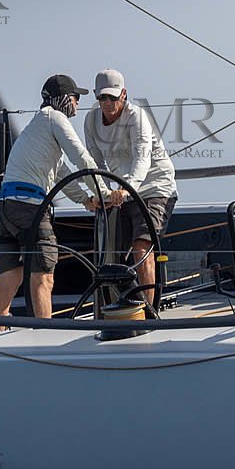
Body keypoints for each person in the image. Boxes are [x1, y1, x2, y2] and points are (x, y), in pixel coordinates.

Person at [0, 74, 99, 327]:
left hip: (3, 209)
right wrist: (103, 192)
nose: (78, 103)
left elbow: (61, 174)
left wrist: (86, 200)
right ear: (63, 100)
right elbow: (81, 159)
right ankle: (44, 339)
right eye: (75, 98)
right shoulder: (55, 118)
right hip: (29, 209)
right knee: (43, 278)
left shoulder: (36, 128)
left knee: (10, 277)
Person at [81, 69, 178, 309]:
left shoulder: (137, 116)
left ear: (123, 94)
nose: (107, 103)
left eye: (112, 98)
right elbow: (94, 164)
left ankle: (150, 312)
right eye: (102, 98)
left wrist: (125, 190)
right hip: (124, 191)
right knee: (113, 251)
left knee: (141, 246)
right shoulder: (91, 121)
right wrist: (102, 194)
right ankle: (122, 307)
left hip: (156, 186)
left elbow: (141, 159)